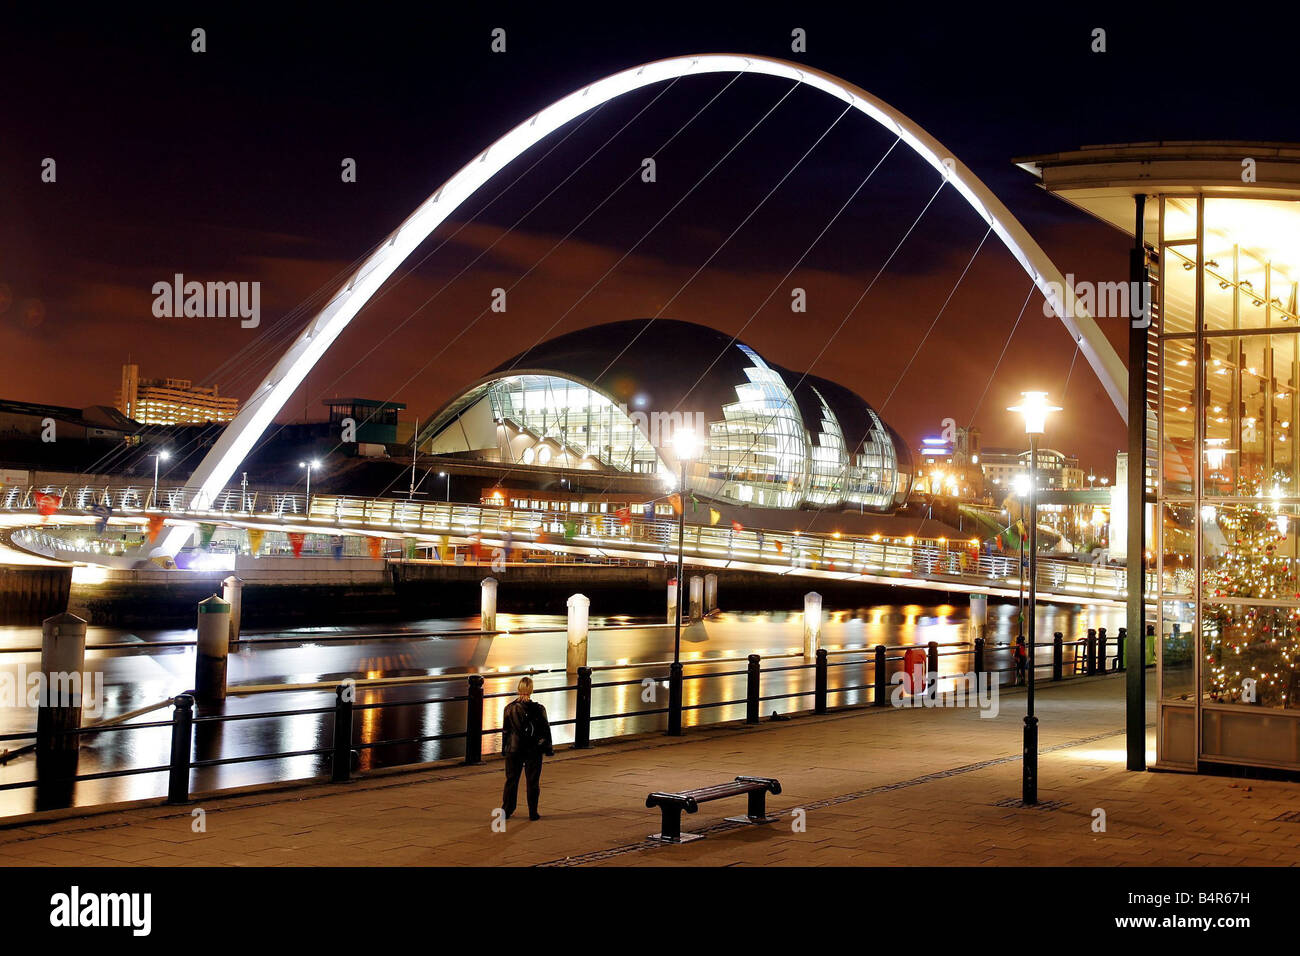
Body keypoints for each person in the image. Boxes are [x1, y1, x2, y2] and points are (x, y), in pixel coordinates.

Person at [501, 676, 553, 821]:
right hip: (533, 749)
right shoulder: (539, 709)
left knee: (511, 780)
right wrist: (548, 748)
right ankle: (533, 812)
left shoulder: (509, 708)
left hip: (514, 748)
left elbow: (506, 731)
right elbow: (545, 730)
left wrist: (504, 749)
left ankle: (507, 809)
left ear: (518, 689)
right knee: (532, 781)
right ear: (531, 690)